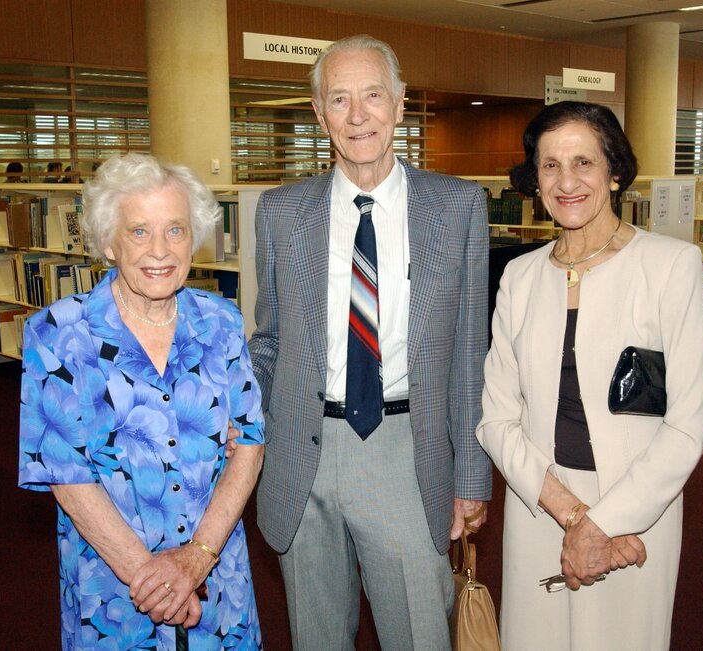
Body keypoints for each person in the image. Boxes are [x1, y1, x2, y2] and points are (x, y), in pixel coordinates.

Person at [249, 34, 491, 649]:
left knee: (418, 633)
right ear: (318, 113)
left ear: (401, 104)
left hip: (405, 452)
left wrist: (470, 474)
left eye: (373, 96)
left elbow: (469, 354)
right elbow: (271, 341)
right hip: (301, 450)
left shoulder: (457, 206)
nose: (358, 116)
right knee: (316, 635)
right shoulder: (280, 212)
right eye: (339, 99)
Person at [476, 101, 703, 650]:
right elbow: (496, 419)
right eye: (550, 165)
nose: (567, 182)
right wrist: (576, 517)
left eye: (583, 162)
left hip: (636, 513)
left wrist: (607, 522)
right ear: (533, 180)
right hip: (541, 504)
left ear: (614, 171)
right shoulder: (518, 276)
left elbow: (687, 423)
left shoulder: (669, 266)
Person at [18, 152, 264, 649]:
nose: (160, 250)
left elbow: (252, 442)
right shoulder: (57, 335)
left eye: (175, 230)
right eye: (139, 232)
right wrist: (157, 584)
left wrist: (197, 559)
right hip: (116, 590)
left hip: (217, 574)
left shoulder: (221, 321)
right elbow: (68, 477)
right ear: (108, 242)